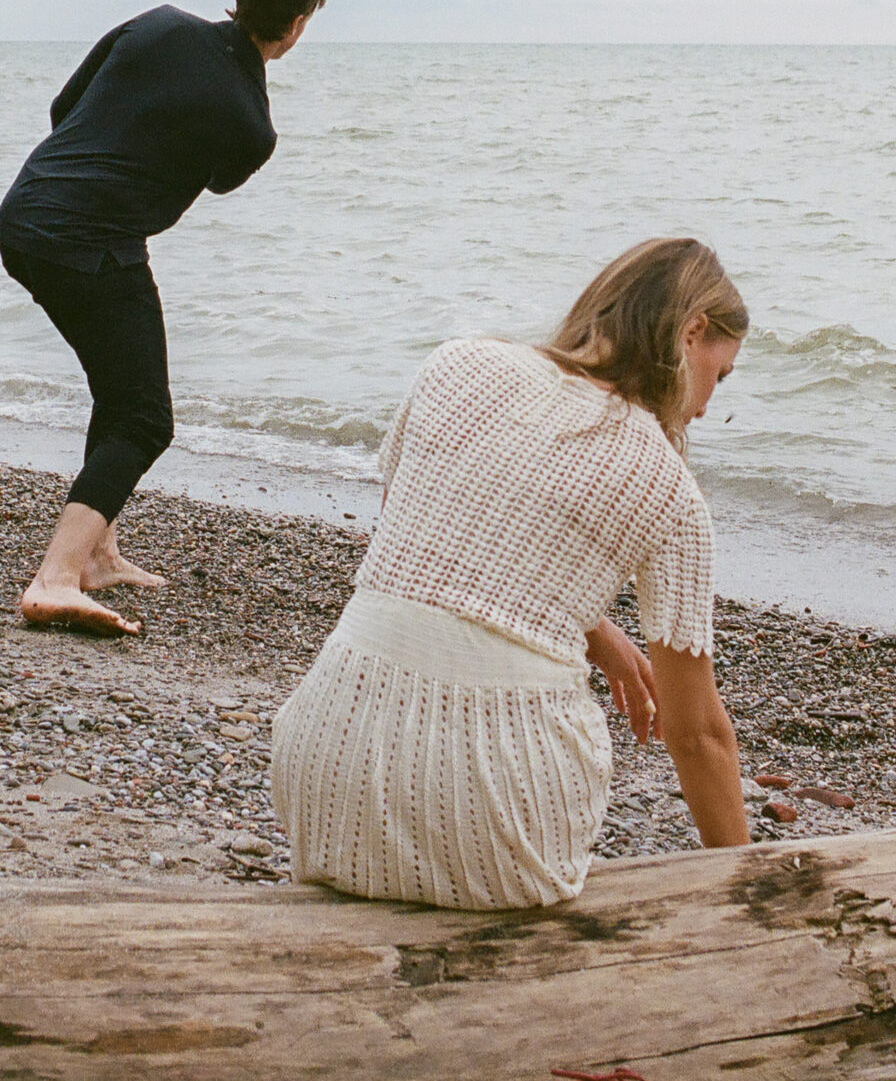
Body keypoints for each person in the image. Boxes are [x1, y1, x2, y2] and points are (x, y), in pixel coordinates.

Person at [271, 237, 751, 907]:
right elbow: (695, 733)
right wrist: (752, 887)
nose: (704, 407)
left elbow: (428, 537)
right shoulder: (669, 491)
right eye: (718, 375)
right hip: (499, 828)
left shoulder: (458, 364)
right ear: (690, 330)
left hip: (324, 777)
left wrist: (594, 630)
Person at [0, 0, 328, 634]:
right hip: (92, 247)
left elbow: (65, 106)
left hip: (24, 215)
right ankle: (56, 577)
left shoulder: (155, 24)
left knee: (119, 396)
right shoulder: (252, 124)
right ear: (295, 26)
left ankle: (97, 555)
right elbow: (217, 181)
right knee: (144, 420)